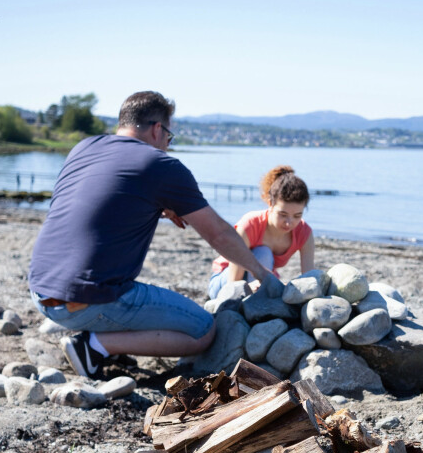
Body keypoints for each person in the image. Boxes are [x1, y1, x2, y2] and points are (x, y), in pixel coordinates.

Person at [28, 91, 278, 379]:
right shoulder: (161, 165)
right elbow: (219, 234)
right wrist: (260, 272)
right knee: (203, 331)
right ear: (158, 129)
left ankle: (108, 339)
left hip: (41, 290)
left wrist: (157, 207)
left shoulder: (85, 147)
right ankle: (93, 346)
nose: (167, 147)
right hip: (83, 300)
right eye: (169, 139)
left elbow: (97, 203)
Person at [208, 165, 314, 299]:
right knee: (263, 252)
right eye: (283, 214)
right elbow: (232, 284)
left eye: (297, 216)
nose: (289, 223)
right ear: (270, 204)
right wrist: (248, 287)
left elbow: (310, 278)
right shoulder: (250, 224)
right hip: (224, 280)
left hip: (260, 277)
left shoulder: (304, 232)